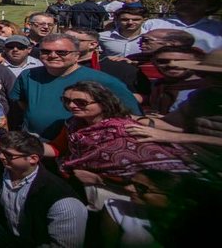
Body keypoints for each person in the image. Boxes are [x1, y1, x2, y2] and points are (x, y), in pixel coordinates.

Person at [47, 81, 191, 210]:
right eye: (66, 100)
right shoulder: (74, 125)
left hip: (132, 200)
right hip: (86, 190)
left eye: (81, 102)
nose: (71, 105)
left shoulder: (125, 131)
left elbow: (157, 173)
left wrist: (101, 178)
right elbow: (57, 148)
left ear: (103, 103)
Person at [0, 131, 88, 247]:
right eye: (0, 150)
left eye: (9, 155)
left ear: (33, 159)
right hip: (9, 234)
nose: (1, 157)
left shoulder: (62, 200)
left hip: (39, 243)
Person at [9, 34, 141, 140]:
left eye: (62, 52)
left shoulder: (103, 80)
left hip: (83, 146)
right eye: (46, 51)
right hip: (36, 144)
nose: (53, 55)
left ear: (76, 55)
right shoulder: (29, 75)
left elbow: (130, 114)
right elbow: (22, 102)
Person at [142, 0, 222, 52]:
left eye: (194, 3)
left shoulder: (217, 28)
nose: (186, 6)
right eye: (182, 3)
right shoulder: (154, 24)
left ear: (208, 8)